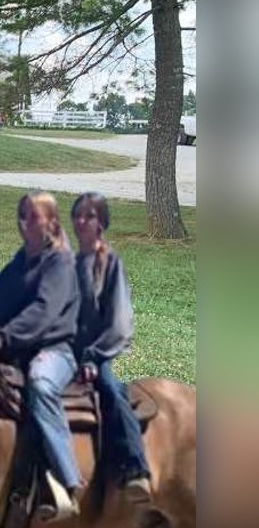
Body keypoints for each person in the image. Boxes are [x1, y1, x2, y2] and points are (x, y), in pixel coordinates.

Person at [0, 191, 84, 521]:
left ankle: (68, 482)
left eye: (33, 217)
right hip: (17, 346)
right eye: (22, 216)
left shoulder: (61, 264)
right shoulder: (18, 264)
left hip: (55, 348)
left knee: (42, 385)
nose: (25, 223)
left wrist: (1, 338)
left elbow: (43, 313)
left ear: (52, 223)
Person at [70, 191, 152, 505]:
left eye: (89, 216)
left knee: (112, 391)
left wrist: (94, 356)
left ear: (102, 223)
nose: (82, 221)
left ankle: (135, 468)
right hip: (64, 351)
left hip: (95, 352)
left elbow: (119, 323)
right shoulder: (71, 262)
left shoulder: (110, 264)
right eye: (78, 215)